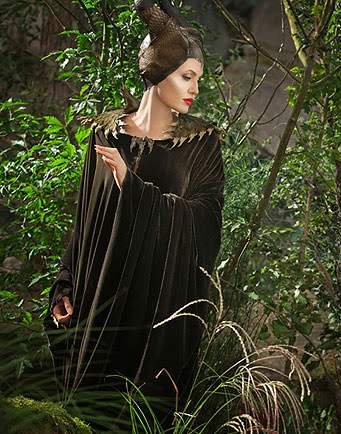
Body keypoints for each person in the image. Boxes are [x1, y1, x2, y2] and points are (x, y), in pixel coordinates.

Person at [44, 0, 224, 410]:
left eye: (198, 79)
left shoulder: (201, 145)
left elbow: (207, 223)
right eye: (187, 77)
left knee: (136, 420)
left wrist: (135, 187)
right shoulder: (105, 135)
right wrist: (65, 285)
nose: (195, 90)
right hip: (98, 304)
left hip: (153, 315)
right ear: (158, 73)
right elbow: (87, 222)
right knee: (85, 416)